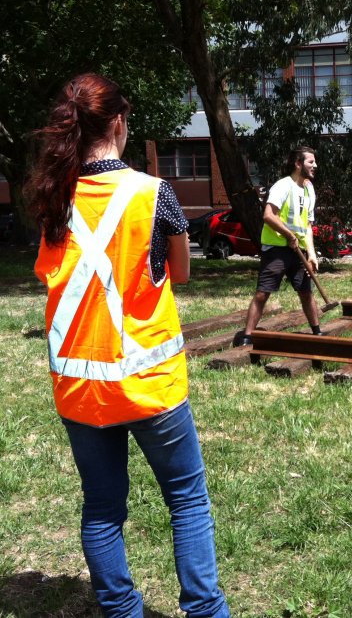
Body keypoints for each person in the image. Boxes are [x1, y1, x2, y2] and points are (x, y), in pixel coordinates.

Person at [28, 74, 230, 617]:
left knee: (101, 508)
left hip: (81, 389)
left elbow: (54, 273)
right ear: (118, 122)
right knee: (187, 501)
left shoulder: (54, 198)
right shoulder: (152, 191)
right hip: (150, 383)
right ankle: (206, 611)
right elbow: (179, 273)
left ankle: (121, 611)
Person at [239, 146, 322, 344]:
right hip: (276, 250)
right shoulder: (283, 186)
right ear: (298, 163)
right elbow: (268, 215)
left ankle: (317, 332)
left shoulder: (309, 188)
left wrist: (312, 254)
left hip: (298, 250)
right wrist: (287, 233)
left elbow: (308, 226)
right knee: (262, 293)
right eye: (311, 161)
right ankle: (247, 336)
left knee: (305, 291)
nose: (315, 165)